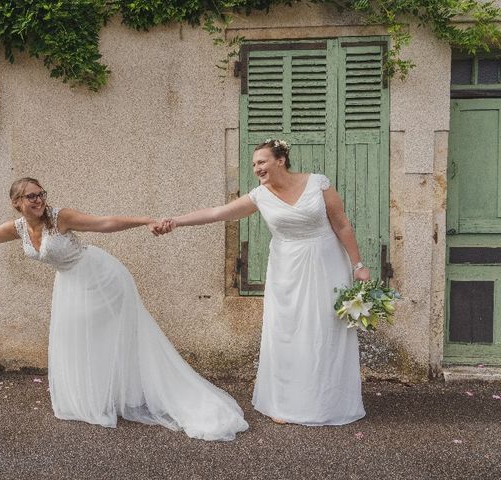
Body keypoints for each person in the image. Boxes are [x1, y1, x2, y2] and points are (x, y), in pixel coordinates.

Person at [0, 177, 248, 441]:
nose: (39, 200)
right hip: (70, 285)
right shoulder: (17, 229)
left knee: (111, 338)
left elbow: (105, 223)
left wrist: (145, 220)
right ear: (17, 203)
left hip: (101, 278)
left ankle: (131, 395)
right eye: (31, 196)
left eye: (41, 193)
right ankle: (98, 399)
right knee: (78, 341)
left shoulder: (62, 218)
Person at [157, 139, 367, 426]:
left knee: (323, 330)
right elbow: (218, 213)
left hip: (326, 263)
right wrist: (176, 221)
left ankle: (325, 403)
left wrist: (358, 266)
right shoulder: (260, 196)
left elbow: (342, 224)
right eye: (254, 164)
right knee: (287, 333)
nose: (257, 168)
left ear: (280, 160)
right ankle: (287, 402)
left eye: (262, 162)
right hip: (286, 269)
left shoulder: (318, 185)